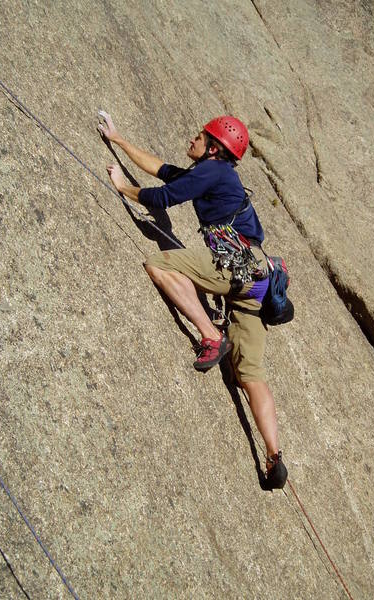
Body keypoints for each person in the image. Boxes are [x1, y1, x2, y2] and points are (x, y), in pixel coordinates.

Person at [98, 111, 288, 489]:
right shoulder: (214, 173)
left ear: (214, 148)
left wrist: (123, 189)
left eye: (200, 136)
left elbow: (164, 197)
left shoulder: (213, 171)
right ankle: (273, 454)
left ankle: (211, 336)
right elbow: (164, 171)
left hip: (232, 266)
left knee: (159, 264)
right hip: (258, 282)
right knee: (251, 375)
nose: (192, 139)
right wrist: (118, 140)